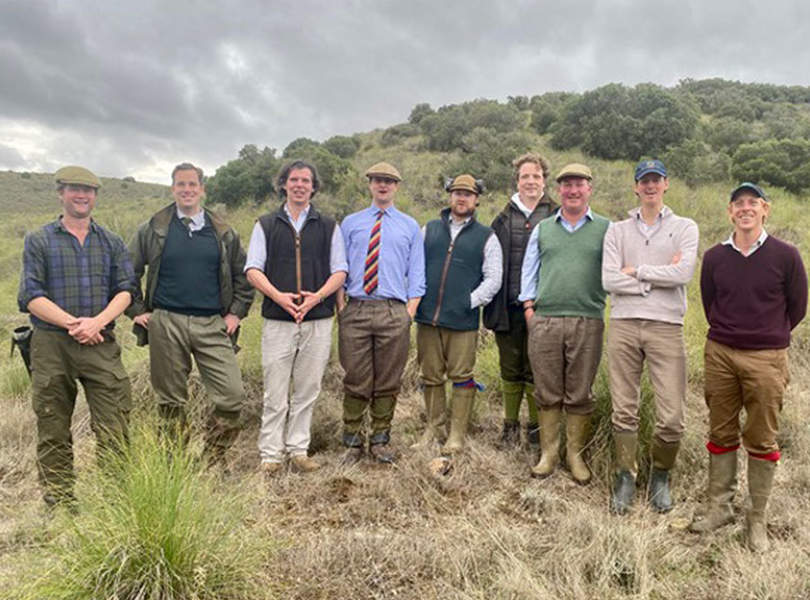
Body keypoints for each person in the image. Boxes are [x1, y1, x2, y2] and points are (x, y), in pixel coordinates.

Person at [690, 182, 807, 551]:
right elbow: (710, 302)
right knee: (721, 430)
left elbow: (798, 305)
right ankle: (719, 507)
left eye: (752, 203)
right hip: (721, 353)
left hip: (766, 357)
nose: (745, 209)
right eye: (738, 204)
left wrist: (768, 334)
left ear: (765, 209)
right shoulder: (714, 257)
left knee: (761, 436)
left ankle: (757, 519)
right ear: (729, 212)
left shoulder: (786, 255)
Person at [18, 166, 135, 508]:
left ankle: (116, 502)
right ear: (61, 193)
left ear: (95, 196)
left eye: (88, 190)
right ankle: (60, 502)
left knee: (114, 425)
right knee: (53, 426)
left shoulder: (111, 242)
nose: (81, 195)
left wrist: (97, 322)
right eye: (73, 189)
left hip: (100, 344)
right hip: (51, 345)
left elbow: (126, 290)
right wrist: (75, 324)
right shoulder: (39, 240)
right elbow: (30, 296)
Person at [127, 162, 253, 464]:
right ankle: (174, 465)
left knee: (232, 396)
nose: (186, 190)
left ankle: (211, 458)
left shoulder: (223, 232)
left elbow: (243, 277)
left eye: (192, 184)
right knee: (170, 401)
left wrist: (235, 314)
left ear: (202, 189)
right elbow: (127, 272)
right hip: (166, 320)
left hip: (212, 324)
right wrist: (137, 311)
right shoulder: (153, 228)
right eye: (180, 184)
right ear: (173, 189)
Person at [602, 159, 699, 514]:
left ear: (666, 184)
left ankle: (661, 474)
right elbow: (610, 280)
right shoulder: (617, 230)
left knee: (672, 414)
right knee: (623, 407)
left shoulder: (685, 227)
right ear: (635, 186)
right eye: (644, 180)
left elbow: (684, 272)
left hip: (666, 325)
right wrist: (654, 280)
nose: (650, 186)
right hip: (625, 324)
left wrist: (638, 271)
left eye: (656, 180)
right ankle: (625, 475)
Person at [244, 161, 347, 475]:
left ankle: (298, 450)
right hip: (278, 319)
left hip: (317, 319)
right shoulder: (265, 224)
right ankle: (271, 455)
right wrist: (279, 297)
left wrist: (317, 297)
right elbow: (252, 269)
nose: (300, 185)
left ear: (314, 186)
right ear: (284, 184)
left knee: (307, 389)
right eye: (294, 180)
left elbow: (340, 270)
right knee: (275, 391)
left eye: (306, 180)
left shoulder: (329, 225)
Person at [519, 163, 610, 484]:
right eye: (567, 185)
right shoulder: (544, 228)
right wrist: (529, 309)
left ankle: (575, 455)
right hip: (546, 319)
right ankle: (549, 453)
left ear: (589, 189)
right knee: (546, 389)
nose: (573, 190)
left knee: (580, 391)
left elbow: (615, 272)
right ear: (559, 190)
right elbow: (529, 270)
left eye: (579, 184)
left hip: (587, 320)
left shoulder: (606, 228)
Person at [337, 162, 425, 464]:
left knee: (389, 377)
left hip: (393, 310)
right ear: (370, 184)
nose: (383, 185)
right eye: (377, 180)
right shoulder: (350, 223)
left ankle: (380, 439)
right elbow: (339, 267)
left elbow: (417, 273)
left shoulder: (409, 226)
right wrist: (341, 307)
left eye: (389, 181)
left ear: (396, 186)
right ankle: (351, 441)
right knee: (356, 375)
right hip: (357, 308)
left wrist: (409, 312)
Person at [414, 174, 502, 454]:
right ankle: (433, 428)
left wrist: (469, 301)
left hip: (463, 321)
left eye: (467, 193)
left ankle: (456, 434)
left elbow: (493, 278)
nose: (461, 197)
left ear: (476, 199)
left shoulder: (486, 236)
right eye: (457, 192)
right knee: (430, 375)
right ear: (449, 196)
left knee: (462, 376)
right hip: (428, 317)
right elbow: (414, 266)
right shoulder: (428, 229)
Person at [484, 153, 558, 451]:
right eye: (525, 176)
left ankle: (535, 427)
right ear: (517, 181)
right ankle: (510, 426)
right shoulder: (502, 218)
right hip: (507, 307)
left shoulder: (557, 213)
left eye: (536, 176)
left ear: (544, 180)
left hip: (544, 308)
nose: (531, 181)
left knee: (537, 369)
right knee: (510, 368)